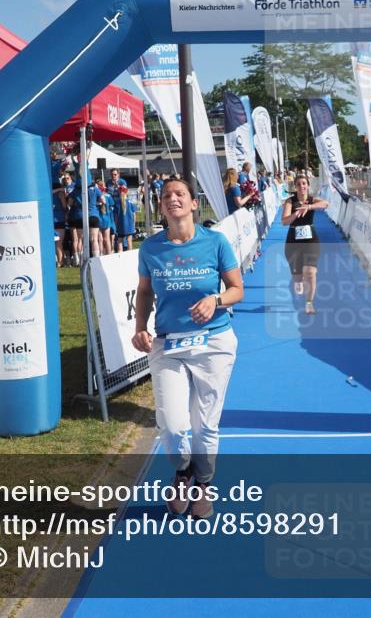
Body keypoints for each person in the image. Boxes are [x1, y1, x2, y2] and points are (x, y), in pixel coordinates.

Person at [132, 178, 244, 518]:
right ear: (161, 206)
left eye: (180, 194)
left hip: (214, 343)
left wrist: (216, 300)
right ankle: (182, 472)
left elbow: (238, 289)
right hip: (169, 344)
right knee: (173, 423)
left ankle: (203, 484)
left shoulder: (216, 242)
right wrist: (139, 328)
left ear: (194, 204)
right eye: (166, 196)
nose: (173, 199)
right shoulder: (151, 248)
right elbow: (145, 292)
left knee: (205, 424)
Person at [281, 174, 329, 316]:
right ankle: (298, 282)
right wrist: (297, 213)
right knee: (297, 278)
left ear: (308, 185)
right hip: (293, 242)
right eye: (298, 184)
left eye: (304, 183)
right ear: (295, 187)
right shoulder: (290, 201)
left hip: (310, 241)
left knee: (311, 272)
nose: (301, 186)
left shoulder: (311, 199)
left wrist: (309, 206)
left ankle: (309, 304)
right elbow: (284, 221)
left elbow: (326, 204)